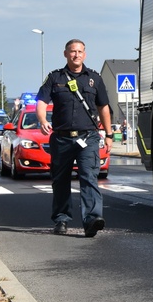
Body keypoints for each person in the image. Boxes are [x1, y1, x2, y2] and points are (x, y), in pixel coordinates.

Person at [37, 39, 113, 237]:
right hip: (62, 138)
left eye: (79, 51)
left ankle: (92, 220)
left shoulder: (94, 78)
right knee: (61, 180)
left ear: (85, 55)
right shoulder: (55, 78)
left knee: (89, 177)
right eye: (72, 51)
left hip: (88, 138)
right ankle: (61, 219)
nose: (76, 55)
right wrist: (43, 119)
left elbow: (103, 107)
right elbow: (41, 101)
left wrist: (109, 133)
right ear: (65, 54)